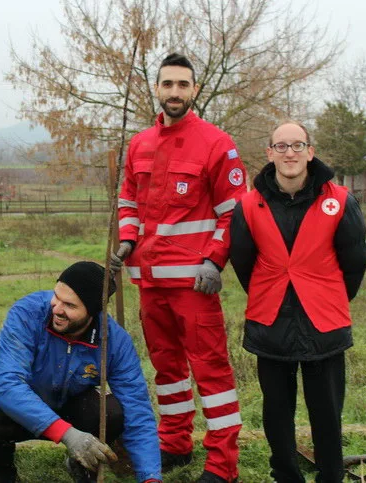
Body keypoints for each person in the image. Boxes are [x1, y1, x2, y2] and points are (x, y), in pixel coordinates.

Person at [110, 52, 245, 483]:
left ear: (195, 90)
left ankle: (223, 465)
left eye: (183, 85)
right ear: (157, 88)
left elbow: (234, 213)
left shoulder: (217, 143)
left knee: (212, 372)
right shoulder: (139, 144)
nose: (174, 92)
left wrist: (214, 260)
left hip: (194, 285)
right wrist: (128, 239)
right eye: (167, 84)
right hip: (149, 282)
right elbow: (128, 200)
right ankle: (175, 443)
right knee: (167, 372)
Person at [229, 121, 366, 482]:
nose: (289, 153)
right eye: (281, 146)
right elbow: (244, 263)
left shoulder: (340, 200)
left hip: (324, 323)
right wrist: (271, 291)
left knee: (326, 412)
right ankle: (286, 475)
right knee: (277, 412)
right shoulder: (247, 205)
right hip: (270, 321)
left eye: (297, 145)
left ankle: (331, 476)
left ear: (310, 151)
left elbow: (354, 263)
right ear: (269, 154)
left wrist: (327, 296)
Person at [0, 261, 163, 483]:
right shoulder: (28, 313)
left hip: (70, 403)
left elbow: (138, 410)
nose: (56, 308)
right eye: (56, 296)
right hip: (20, 407)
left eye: (70, 305)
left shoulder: (114, 341)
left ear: (92, 311)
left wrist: (150, 478)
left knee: (113, 413)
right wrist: (67, 435)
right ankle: (3, 472)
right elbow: (8, 385)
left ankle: (82, 466)